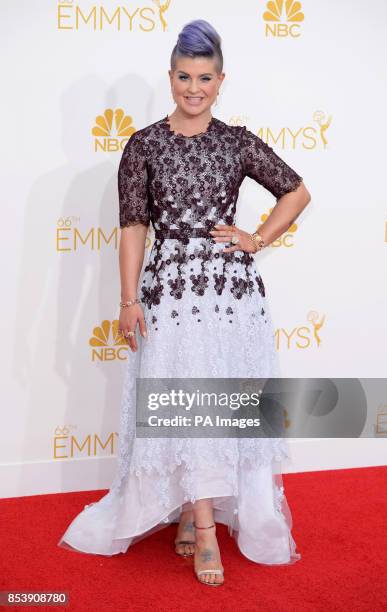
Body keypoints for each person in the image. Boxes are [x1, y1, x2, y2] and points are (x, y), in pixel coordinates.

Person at [58, 18, 311, 587]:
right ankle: (199, 523)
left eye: (204, 77)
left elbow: (296, 191)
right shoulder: (143, 145)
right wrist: (127, 299)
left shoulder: (237, 141)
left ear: (221, 80)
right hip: (170, 294)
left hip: (229, 296)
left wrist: (256, 238)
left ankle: (200, 515)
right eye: (182, 76)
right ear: (169, 76)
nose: (192, 88)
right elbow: (132, 228)